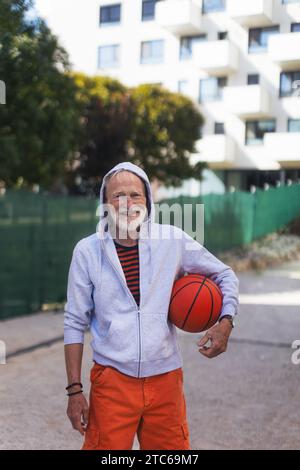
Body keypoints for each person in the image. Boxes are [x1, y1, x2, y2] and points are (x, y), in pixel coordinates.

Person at [64, 162, 239, 450]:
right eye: (117, 195)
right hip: (112, 381)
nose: (127, 203)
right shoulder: (88, 251)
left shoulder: (171, 241)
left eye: (135, 195)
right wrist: (74, 392)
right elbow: (73, 322)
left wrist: (226, 320)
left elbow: (224, 274)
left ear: (148, 201)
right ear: (105, 204)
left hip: (166, 380)